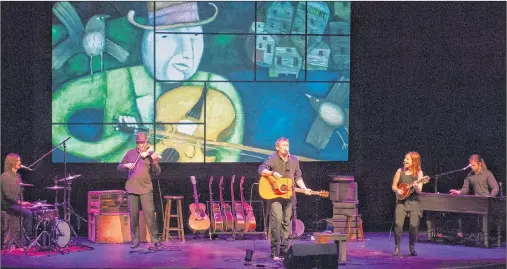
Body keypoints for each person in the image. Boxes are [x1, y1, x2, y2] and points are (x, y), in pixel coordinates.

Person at [258, 137, 311, 261]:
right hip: (275, 195)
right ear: (277, 147)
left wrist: (304, 188)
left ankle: (284, 250)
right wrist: (272, 173)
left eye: (287, 145)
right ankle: (274, 251)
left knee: (287, 222)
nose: (286, 147)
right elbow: (261, 169)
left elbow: (298, 177)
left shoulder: (294, 160)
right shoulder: (273, 158)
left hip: (288, 195)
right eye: (283, 145)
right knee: (277, 220)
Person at [118, 132, 162, 248]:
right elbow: (119, 167)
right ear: (136, 143)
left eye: (143, 142)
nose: (141, 145)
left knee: (150, 215)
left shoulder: (150, 155)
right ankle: (135, 240)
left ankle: (155, 239)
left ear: (146, 143)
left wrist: (155, 161)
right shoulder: (130, 153)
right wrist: (126, 165)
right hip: (132, 188)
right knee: (134, 216)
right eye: (139, 143)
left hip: (146, 188)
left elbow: (157, 172)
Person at [449, 154, 499, 237]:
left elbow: (495, 188)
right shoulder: (470, 175)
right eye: (471, 165)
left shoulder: (487, 173)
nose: (472, 167)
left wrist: (490, 197)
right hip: (476, 202)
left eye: (474, 165)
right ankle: (463, 233)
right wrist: (458, 192)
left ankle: (485, 235)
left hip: (487, 202)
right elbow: (465, 190)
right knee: (461, 209)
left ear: (480, 164)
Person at [391, 152, 424, 256]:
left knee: (414, 225)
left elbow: (419, 191)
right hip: (401, 202)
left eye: (407, 159)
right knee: (398, 224)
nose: (404, 160)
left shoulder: (419, 173)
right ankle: (397, 246)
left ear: (414, 161)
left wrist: (416, 185)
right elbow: (394, 186)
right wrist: (397, 191)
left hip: (414, 202)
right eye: (405, 158)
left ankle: (412, 246)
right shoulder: (400, 171)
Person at [0, 153, 34, 248]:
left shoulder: (18, 175)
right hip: (7, 205)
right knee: (28, 213)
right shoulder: (5, 176)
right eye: (18, 160)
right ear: (12, 162)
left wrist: (24, 202)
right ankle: (29, 239)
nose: (20, 162)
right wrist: (20, 203)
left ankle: (22, 239)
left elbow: (19, 192)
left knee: (33, 209)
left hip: (16, 204)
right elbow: (7, 195)